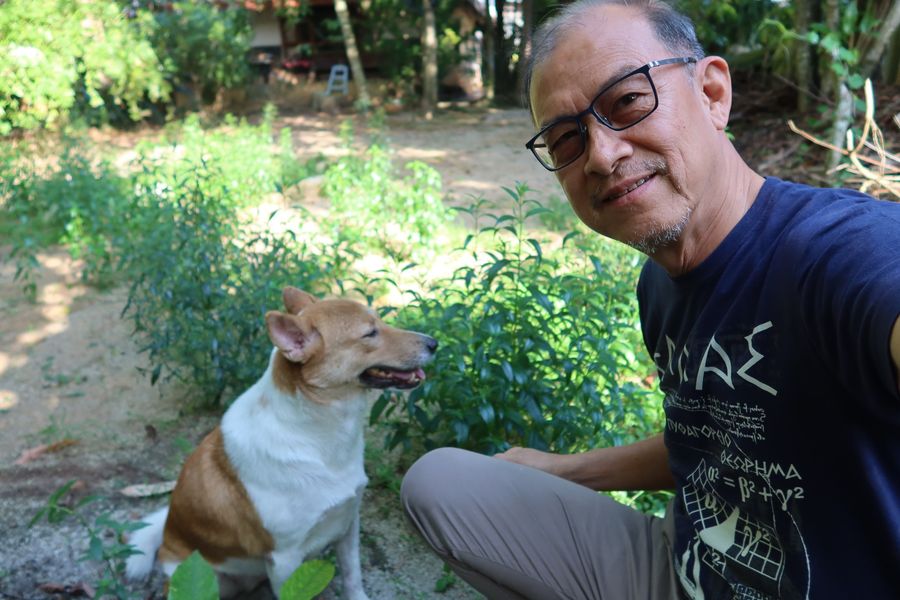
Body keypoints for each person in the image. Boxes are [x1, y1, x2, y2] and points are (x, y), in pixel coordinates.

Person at [400, 0, 900, 598]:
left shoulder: (837, 250)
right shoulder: (659, 284)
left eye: (629, 101)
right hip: (685, 567)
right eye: (566, 139)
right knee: (440, 483)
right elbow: (712, 437)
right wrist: (564, 469)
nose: (602, 155)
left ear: (712, 94)